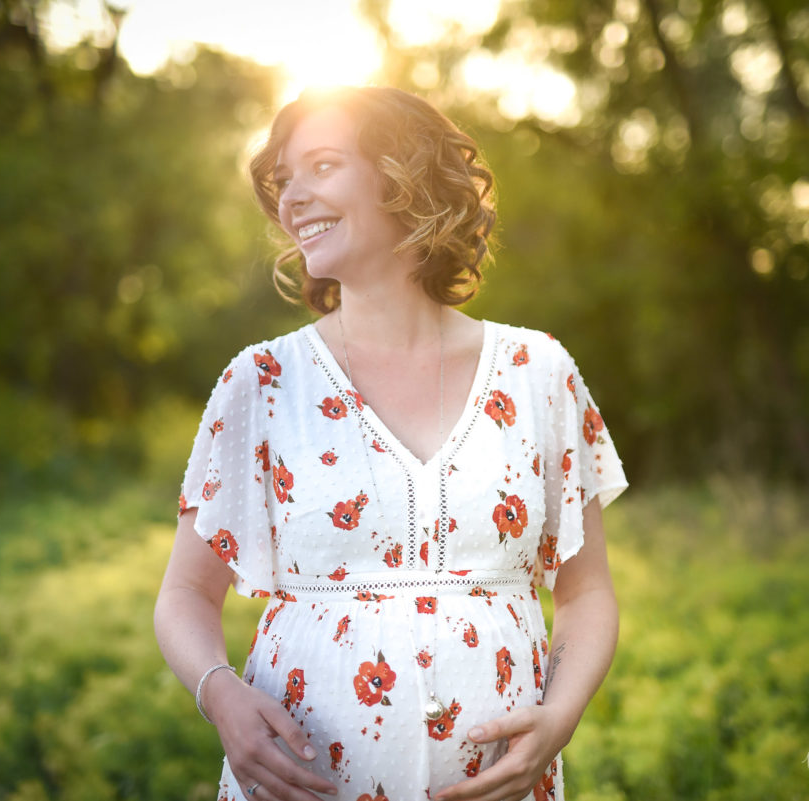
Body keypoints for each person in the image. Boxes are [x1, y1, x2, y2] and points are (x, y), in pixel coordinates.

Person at [154, 85, 628, 801]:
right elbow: (186, 592)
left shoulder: (539, 373)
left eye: (320, 167)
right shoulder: (263, 382)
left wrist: (558, 718)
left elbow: (586, 590)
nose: (292, 200)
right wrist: (220, 694)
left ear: (402, 175)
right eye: (285, 181)